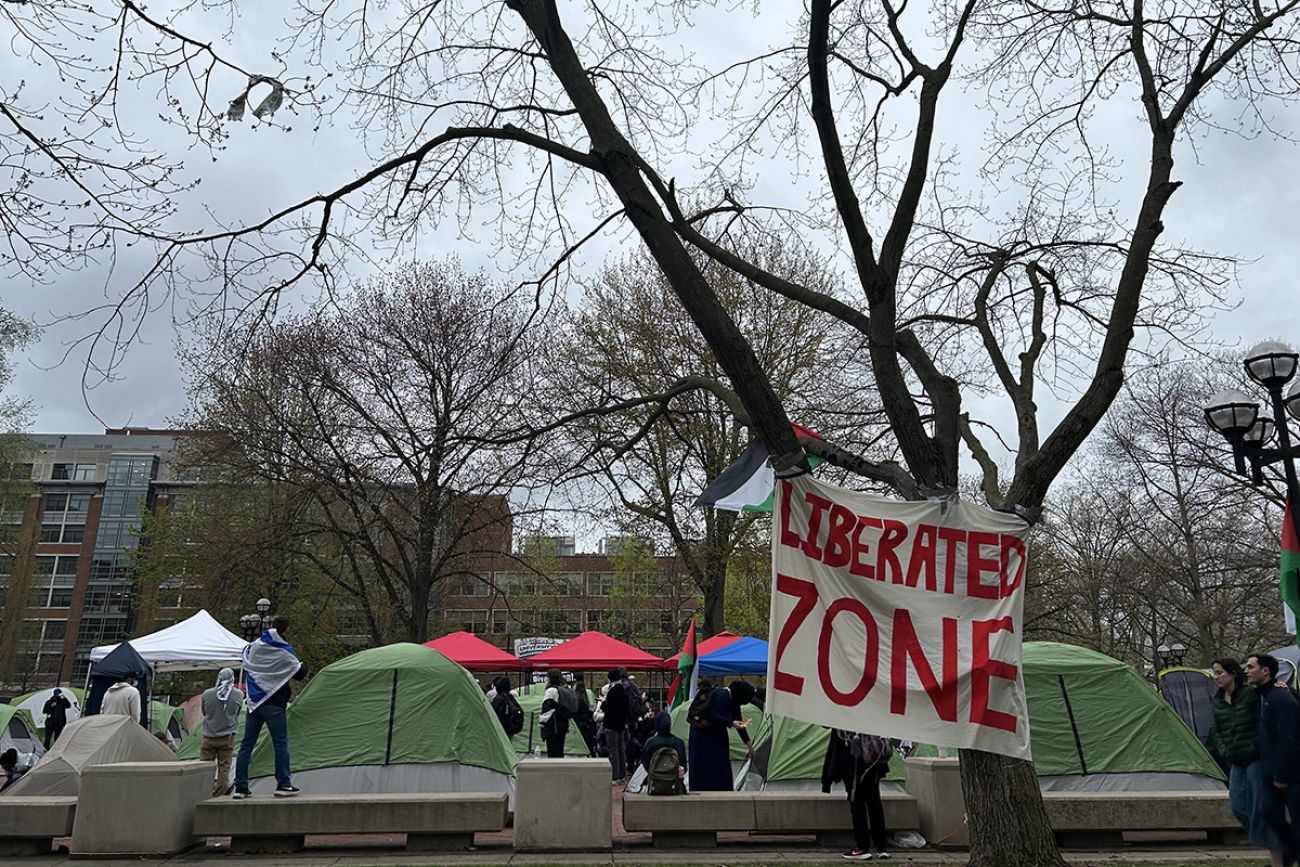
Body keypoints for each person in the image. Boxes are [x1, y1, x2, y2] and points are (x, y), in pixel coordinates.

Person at [1210, 657, 1285, 867]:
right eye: (1214, 673)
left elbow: (1271, 699)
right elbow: (1216, 729)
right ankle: (1276, 839)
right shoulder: (1217, 700)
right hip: (1235, 760)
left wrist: (1281, 686)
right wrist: (1224, 749)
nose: (1216, 677)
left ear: (1233, 673)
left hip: (1255, 759)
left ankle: (1277, 860)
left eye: (1219, 673)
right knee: (1238, 806)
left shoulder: (1250, 695)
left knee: (1261, 809)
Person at [233, 615, 308, 798]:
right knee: (280, 743)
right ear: (285, 630)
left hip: (254, 703)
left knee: (246, 745)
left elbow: (249, 665)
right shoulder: (281, 650)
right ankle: (283, 783)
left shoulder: (254, 648)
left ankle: (241, 787)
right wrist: (303, 665)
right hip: (274, 702)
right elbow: (298, 672)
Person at [1246, 653, 1300, 860]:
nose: (1246, 671)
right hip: (1271, 771)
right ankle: (1291, 851)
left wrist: (1282, 774)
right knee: (1267, 811)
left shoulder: (1281, 698)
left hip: (1288, 774)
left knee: (1296, 819)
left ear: (1265, 671)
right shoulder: (1262, 696)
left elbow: (1288, 738)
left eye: (1251, 667)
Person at [822, 729, 891, 861]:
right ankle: (881, 847)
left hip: (853, 754)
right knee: (873, 799)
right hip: (874, 750)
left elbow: (826, 723)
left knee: (857, 800)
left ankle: (862, 846)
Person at [688, 680, 756, 792]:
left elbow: (739, 722)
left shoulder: (731, 699)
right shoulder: (722, 696)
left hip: (711, 735)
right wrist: (731, 723)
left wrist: (750, 747)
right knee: (713, 767)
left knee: (713, 766)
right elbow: (712, 715)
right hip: (706, 736)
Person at [200, 667, 245, 798]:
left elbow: (204, 712)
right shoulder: (239, 695)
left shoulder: (207, 694)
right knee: (224, 768)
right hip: (227, 737)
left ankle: (203, 792)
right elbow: (236, 713)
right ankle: (220, 794)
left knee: (204, 767)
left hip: (209, 736)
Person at [600, 668, 630, 781]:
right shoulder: (623, 690)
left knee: (613, 750)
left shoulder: (612, 691)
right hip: (621, 723)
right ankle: (622, 773)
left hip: (611, 724)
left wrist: (603, 703)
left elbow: (609, 708)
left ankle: (615, 775)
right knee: (621, 749)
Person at [538, 669, 572, 758]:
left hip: (552, 725)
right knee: (560, 750)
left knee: (552, 752)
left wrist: (542, 723)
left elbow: (546, 709)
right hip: (563, 724)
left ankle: (552, 770)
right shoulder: (566, 689)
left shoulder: (550, 691)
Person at [641, 710, 687, 774]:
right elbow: (684, 765)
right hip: (674, 778)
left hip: (655, 777)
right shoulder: (679, 742)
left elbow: (645, 763)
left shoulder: (650, 742)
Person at [573, 677, 598, 757]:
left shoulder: (577, 699)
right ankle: (592, 755)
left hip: (580, 724)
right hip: (586, 723)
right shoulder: (585, 698)